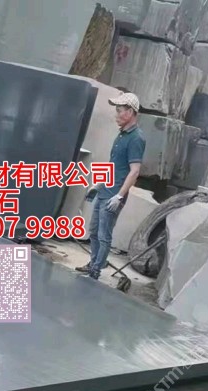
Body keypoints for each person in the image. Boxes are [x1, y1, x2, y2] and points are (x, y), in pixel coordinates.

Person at [75, 92, 146, 281]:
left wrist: (120, 196)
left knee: (103, 235)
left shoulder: (136, 138)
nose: (116, 115)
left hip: (114, 195)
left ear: (130, 112)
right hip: (105, 190)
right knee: (93, 231)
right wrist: (98, 184)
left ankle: (95, 271)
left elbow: (134, 171)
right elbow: (114, 165)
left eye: (119, 111)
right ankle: (94, 263)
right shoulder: (121, 135)